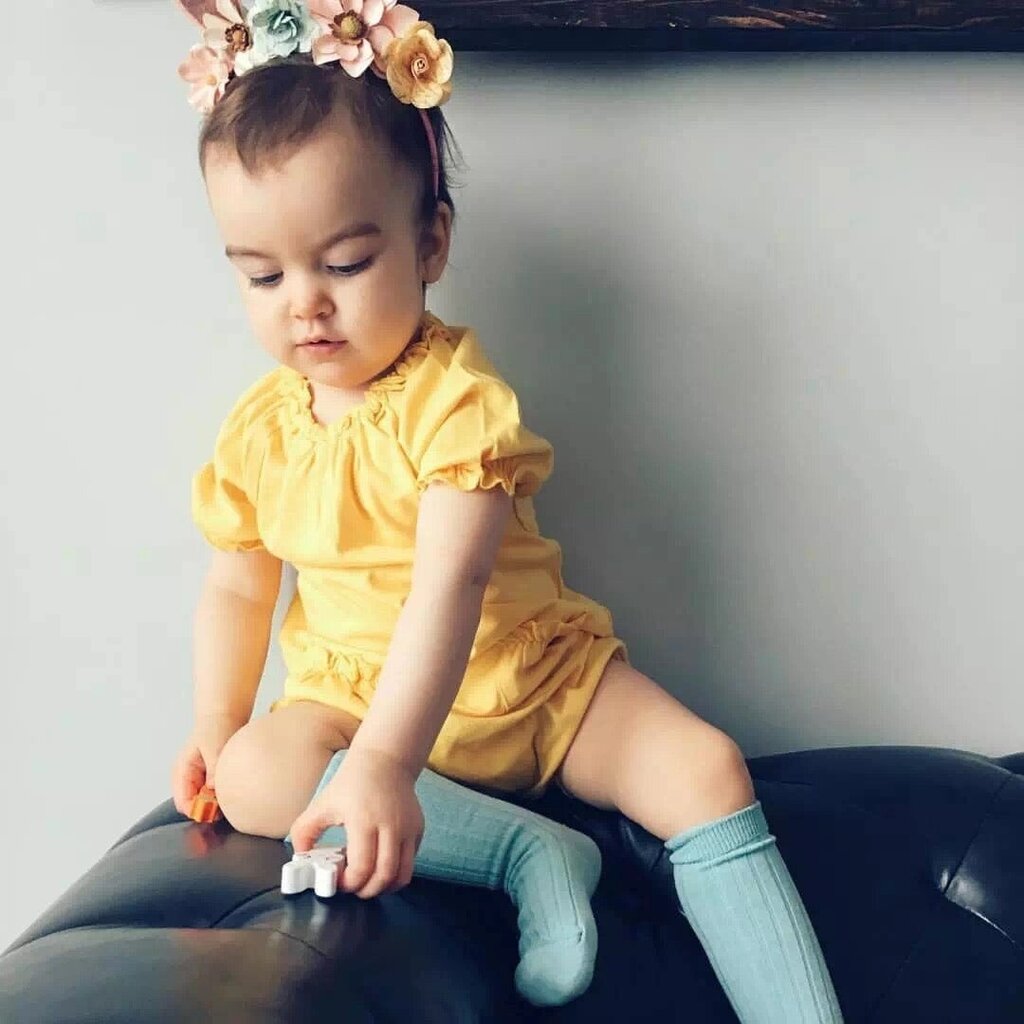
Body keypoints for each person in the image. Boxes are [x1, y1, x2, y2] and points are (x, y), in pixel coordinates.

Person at [168, 1, 844, 1018]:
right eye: (263, 275)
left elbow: (451, 584)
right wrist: (217, 728)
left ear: (430, 241)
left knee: (705, 769)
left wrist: (388, 764)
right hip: (356, 701)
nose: (304, 302)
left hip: (533, 684)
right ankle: (528, 853)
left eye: (344, 264)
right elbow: (237, 584)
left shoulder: (455, 401)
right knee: (259, 773)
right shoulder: (260, 431)